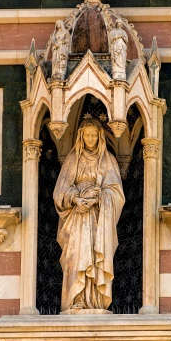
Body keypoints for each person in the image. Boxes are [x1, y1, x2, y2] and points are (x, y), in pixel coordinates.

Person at [53, 118, 125, 311]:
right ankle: (76, 298)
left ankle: (95, 300)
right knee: (76, 255)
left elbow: (116, 192)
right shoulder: (72, 159)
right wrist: (75, 199)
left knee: (95, 255)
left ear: (100, 136)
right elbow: (59, 190)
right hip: (77, 216)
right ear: (81, 136)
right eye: (87, 135)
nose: (91, 138)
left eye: (94, 135)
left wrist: (99, 198)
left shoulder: (107, 160)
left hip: (98, 217)